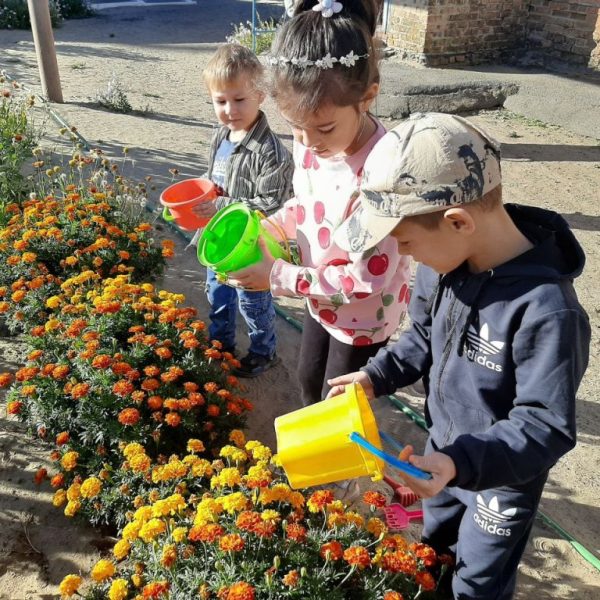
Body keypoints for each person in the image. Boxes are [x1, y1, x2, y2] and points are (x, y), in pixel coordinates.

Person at [329, 112, 591, 599]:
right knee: (435, 552)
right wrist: (373, 377)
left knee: (476, 583)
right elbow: (420, 340)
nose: (405, 256)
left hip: (501, 479)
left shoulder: (547, 312)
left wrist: (461, 462)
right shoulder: (444, 265)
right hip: (442, 452)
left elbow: (544, 426)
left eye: (406, 242)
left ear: (458, 221)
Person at [228, 0, 412, 405]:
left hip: (364, 313)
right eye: (295, 127)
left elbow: (365, 280)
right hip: (320, 294)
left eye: (324, 127)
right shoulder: (313, 145)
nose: (308, 142)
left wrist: (276, 277)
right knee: (310, 380)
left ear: (368, 97)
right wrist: (266, 228)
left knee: (340, 404)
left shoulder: (381, 176)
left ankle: (343, 468)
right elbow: (306, 204)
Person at [194, 44, 293, 378]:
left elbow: (272, 205)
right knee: (217, 293)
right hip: (220, 240)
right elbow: (214, 177)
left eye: (239, 100)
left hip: (251, 246)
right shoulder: (220, 136)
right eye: (220, 101)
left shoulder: (271, 152)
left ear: (260, 95)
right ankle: (221, 343)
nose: (229, 110)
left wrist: (220, 204)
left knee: (254, 303)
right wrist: (203, 191)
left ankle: (263, 351)